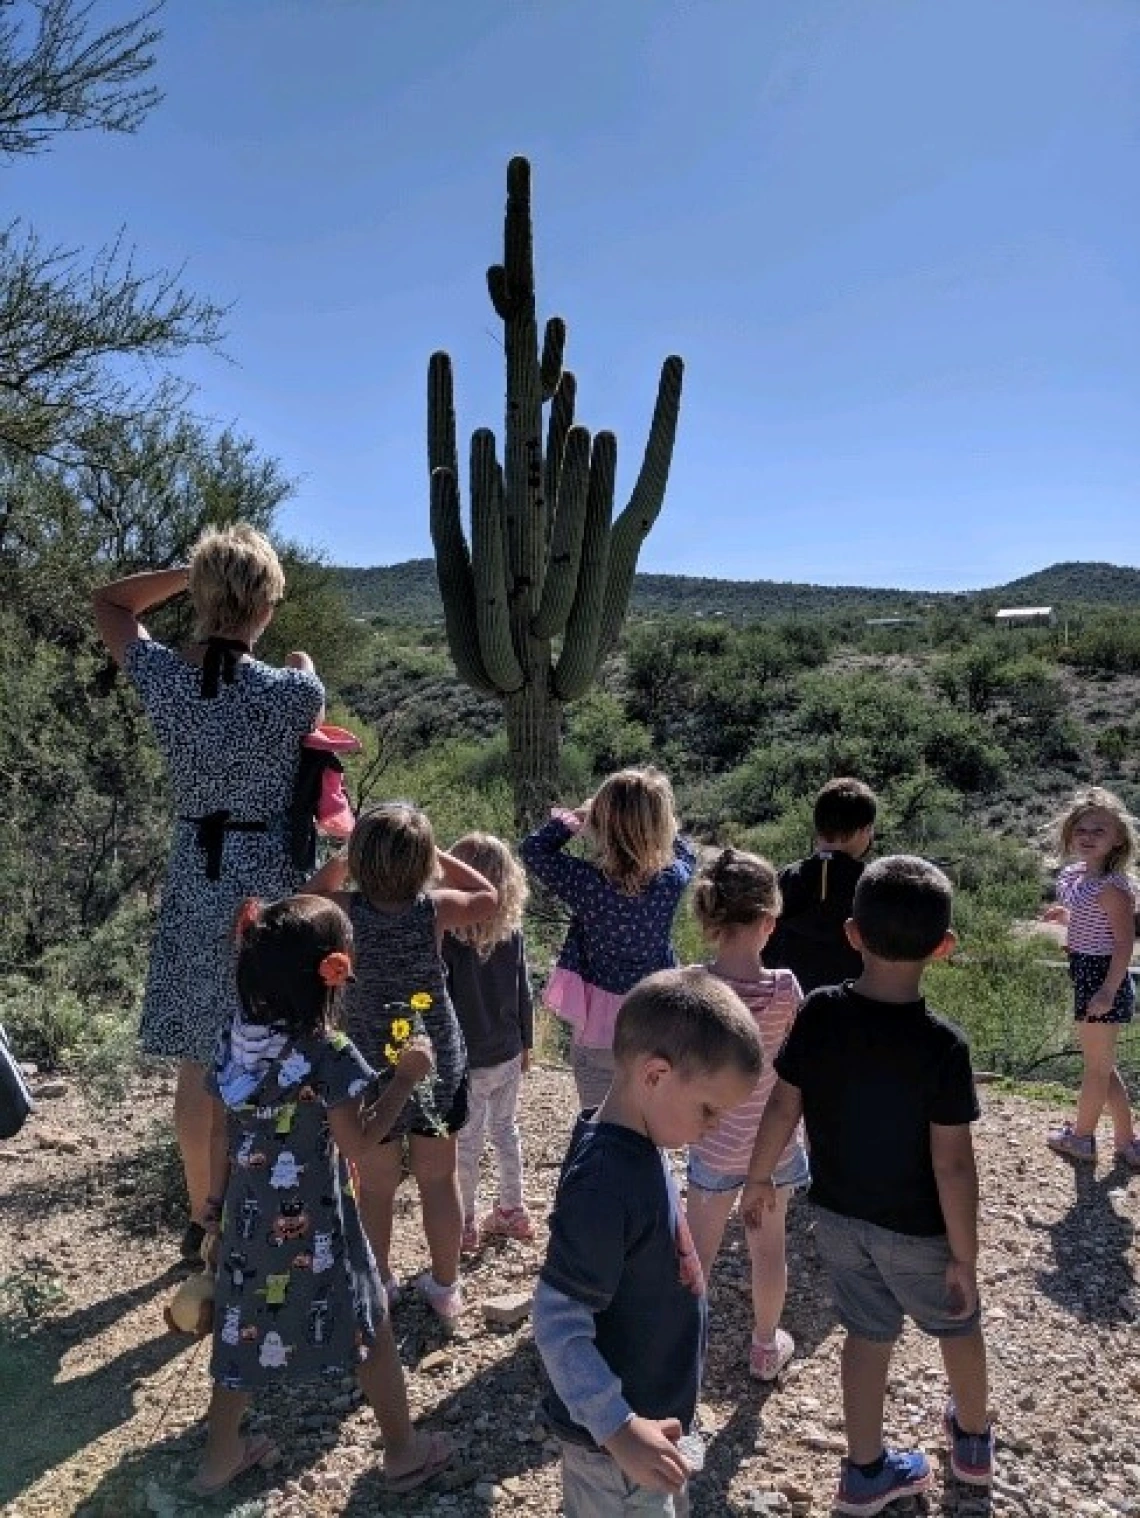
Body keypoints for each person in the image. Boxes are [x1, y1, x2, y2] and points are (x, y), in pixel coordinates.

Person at [92, 525, 325, 1265]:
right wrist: (291, 653)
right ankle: (266, 1211)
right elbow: (306, 690)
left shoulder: (162, 678)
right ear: (265, 603)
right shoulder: (295, 692)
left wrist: (195, 573)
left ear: (199, 596)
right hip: (271, 885)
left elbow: (111, 604)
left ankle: (204, 1217)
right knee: (273, 1053)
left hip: (199, 870)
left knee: (201, 1060)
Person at [744, 855, 993, 1515]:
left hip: (839, 1218)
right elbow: (953, 1165)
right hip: (918, 1228)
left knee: (867, 1334)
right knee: (959, 1325)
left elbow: (782, 1106)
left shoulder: (821, 1012)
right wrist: (964, 1255)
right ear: (944, 948)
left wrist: (759, 1174)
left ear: (852, 933)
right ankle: (971, 1444)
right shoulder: (945, 1046)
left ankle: (863, 1471)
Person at [195, 893, 453, 1499]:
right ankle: (402, 1450)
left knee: (240, 1327)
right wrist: (406, 1079)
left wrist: (212, 1207)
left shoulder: (236, 1040)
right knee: (370, 1325)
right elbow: (360, 1143)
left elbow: (216, 1129)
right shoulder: (327, 1054)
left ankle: (218, 1459)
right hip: (319, 1225)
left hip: (247, 1221)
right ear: (328, 975)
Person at [534, 968, 762, 1518]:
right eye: (709, 1110)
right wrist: (619, 1428)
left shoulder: (638, 1137)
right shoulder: (605, 1182)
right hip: (614, 1447)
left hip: (646, 1420)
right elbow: (556, 1320)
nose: (714, 1128)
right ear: (655, 1076)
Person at [306, 802, 498, 1323]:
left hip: (367, 1062)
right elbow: (489, 895)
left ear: (361, 860)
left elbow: (309, 894)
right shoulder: (433, 909)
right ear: (422, 865)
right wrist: (439, 855)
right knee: (439, 1178)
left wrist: (346, 856)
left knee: (377, 1183)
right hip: (433, 1056)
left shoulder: (345, 909)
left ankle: (380, 1281)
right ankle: (444, 1284)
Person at [684, 848, 806, 1382]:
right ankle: (764, 1348)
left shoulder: (693, 986)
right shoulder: (786, 988)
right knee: (768, 1251)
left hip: (712, 1146)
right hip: (772, 1151)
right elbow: (796, 1070)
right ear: (768, 922)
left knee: (695, 1255)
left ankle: (682, 1346)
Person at [520, 767, 697, 1111]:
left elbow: (534, 850)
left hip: (598, 1028)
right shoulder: (670, 882)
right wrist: (660, 824)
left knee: (595, 1122)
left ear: (601, 824)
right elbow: (687, 853)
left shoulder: (588, 885)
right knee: (649, 1123)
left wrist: (578, 817)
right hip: (655, 1018)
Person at [442, 833, 536, 1254]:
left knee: (467, 1141)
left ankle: (463, 1223)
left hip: (470, 1058)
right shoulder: (510, 930)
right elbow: (523, 989)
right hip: (508, 1050)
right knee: (505, 1129)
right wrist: (528, 1041)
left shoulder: (448, 934)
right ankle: (512, 1210)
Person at [1043, 788, 1139, 1168]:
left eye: (1099, 830)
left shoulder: (1113, 888)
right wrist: (1068, 920)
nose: (1088, 835)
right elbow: (1093, 922)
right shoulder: (1080, 877)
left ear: (1117, 838)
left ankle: (1082, 1138)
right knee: (1102, 1063)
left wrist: (1108, 990)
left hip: (1102, 978)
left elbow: (1122, 942)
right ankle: (1127, 1141)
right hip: (1088, 972)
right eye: (1081, 828)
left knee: (1096, 1066)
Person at [765, 777, 877, 993]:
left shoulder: (785, 878)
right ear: (864, 830)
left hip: (791, 1005)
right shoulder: (872, 885)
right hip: (852, 1007)